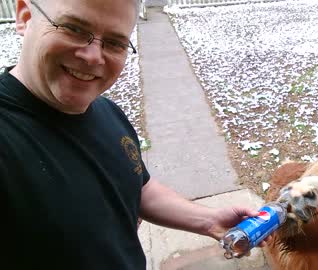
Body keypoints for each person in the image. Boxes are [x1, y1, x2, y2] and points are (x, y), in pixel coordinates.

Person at [0, 0, 264, 269]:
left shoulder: (107, 111)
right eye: (73, 28)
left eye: (115, 43)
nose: (93, 56)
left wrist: (210, 220)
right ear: (24, 16)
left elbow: (137, 187)